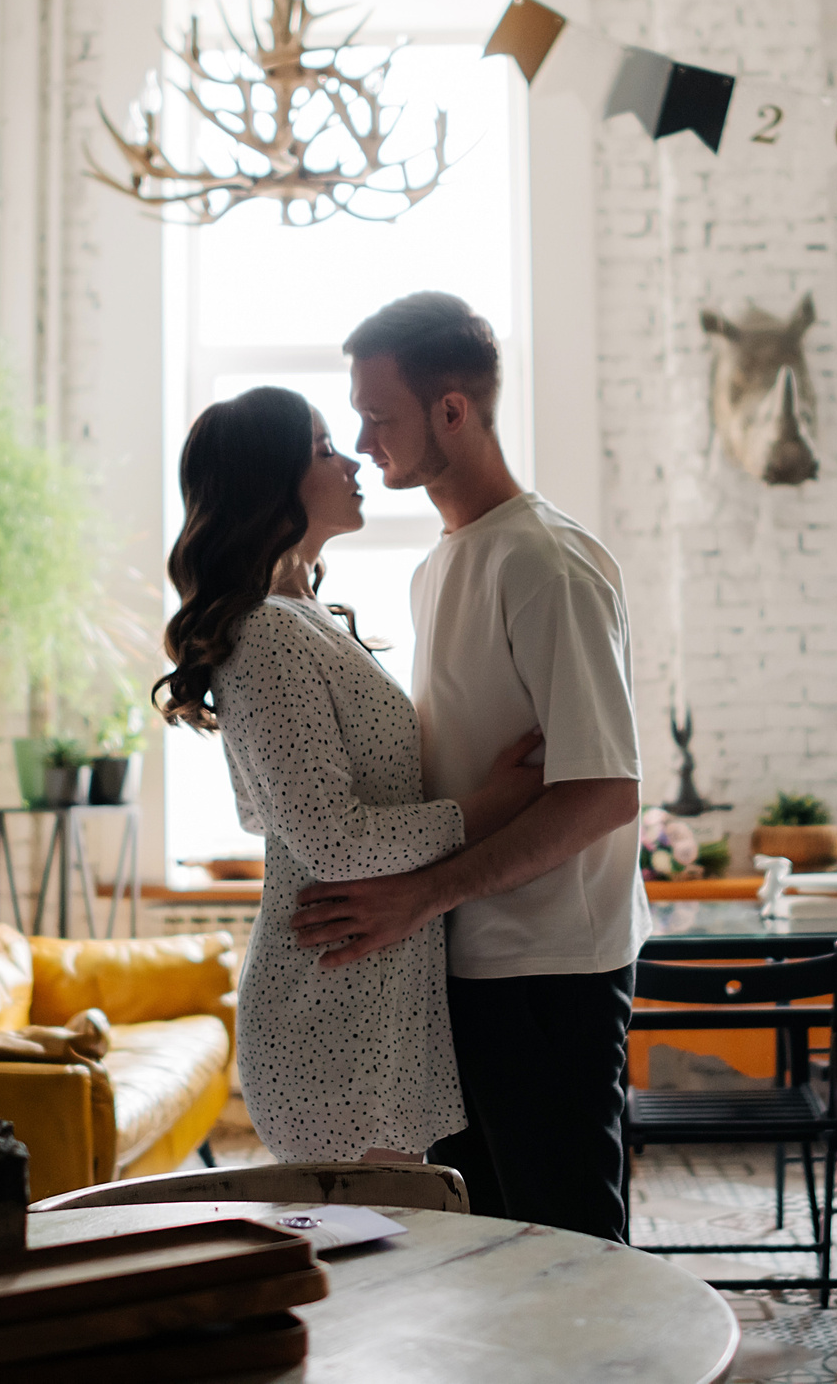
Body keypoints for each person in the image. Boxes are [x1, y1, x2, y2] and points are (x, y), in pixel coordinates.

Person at [290, 293, 646, 1241]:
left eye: (380, 415)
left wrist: (423, 893)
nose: (364, 440)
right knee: (488, 1247)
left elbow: (604, 791)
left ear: (452, 410)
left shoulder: (547, 563)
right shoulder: (438, 566)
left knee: (570, 1253)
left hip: (550, 972)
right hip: (461, 961)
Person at [153, 385, 545, 1163]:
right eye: (325, 448)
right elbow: (334, 840)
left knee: (405, 1255)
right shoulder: (264, 634)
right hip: (327, 1007)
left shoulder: (312, 620)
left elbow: (278, 813)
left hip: (373, 991)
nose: (356, 459)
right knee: (373, 1265)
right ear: (273, 483)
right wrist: (492, 805)